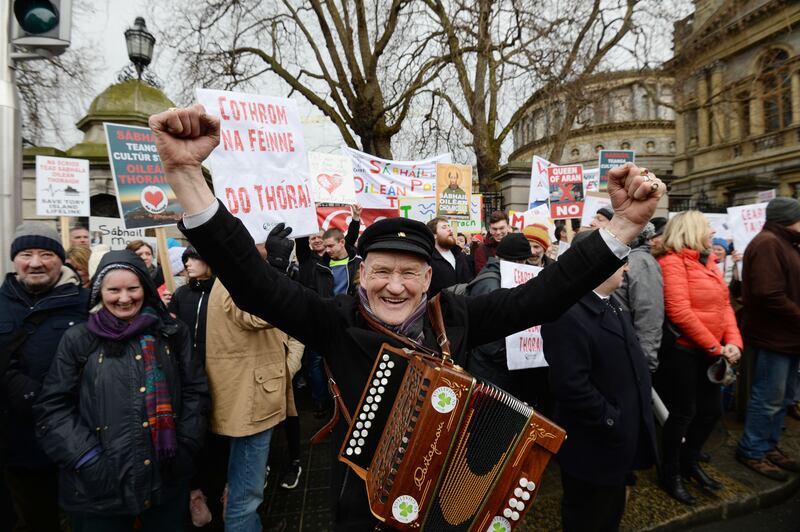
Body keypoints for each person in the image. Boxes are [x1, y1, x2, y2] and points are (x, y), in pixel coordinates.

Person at [148, 104, 664, 530]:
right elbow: (252, 281)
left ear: (428, 278)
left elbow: (547, 294)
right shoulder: (331, 319)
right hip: (363, 513)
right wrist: (186, 174)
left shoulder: (456, 315)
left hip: (449, 507)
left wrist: (622, 224)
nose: (394, 285)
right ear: (361, 270)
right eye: (381, 271)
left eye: (409, 273)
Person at [33, 250, 209, 531]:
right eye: (113, 289)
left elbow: (195, 391)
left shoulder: (172, 332)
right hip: (99, 491)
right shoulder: (78, 339)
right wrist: (87, 460)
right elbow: (53, 407)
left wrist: (185, 444)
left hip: (165, 480)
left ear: (146, 288)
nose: (124, 298)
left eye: (133, 288)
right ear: (99, 292)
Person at [542, 229, 657, 532]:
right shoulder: (567, 313)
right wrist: (611, 420)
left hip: (614, 445)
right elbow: (570, 385)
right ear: (598, 265)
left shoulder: (611, 301)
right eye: (622, 261)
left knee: (608, 514)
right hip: (594, 446)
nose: (627, 267)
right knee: (590, 518)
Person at [0, 222, 89, 532]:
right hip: (16, 448)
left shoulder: (86, 303)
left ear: (60, 259)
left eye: (45, 254)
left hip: (74, 444)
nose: (35, 263)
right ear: (15, 259)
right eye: (26, 253)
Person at [653, 211, 742, 505]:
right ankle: (670, 473)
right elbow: (679, 311)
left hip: (711, 351)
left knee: (711, 412)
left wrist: (734, 342)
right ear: (691, 231)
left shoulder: (709, 262)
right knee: (682, 415)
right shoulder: (672, 262)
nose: (712, 231)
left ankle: (689, 464)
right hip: (683, 354)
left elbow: (724, 306)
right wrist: (717, 349)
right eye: (707, 227)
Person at [203, 274, 299, 531]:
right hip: (249, 401)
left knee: (245, 490)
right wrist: (276, 269)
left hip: (251, 394)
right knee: (245, 495)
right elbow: (258, 314)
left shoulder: (233, 272)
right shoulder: (233, 276)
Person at [736, 197, 800, 480]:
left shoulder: (784, 243)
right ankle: (752, 450)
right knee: (768, 398)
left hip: (787, 337)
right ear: (789, 218)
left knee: (783, 397)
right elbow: (768, 294)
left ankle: (768, 446)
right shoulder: (768, 243)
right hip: (773, 337)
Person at [166, 246, 218, 526]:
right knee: (193, 436)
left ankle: (221, 491)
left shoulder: (223, 294)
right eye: (185, 258)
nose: (187, 262)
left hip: (220, 374)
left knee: (218, 437)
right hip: (187, 375)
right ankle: (196, 496)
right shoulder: (181, 294)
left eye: (193, 256)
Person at [615, 222, 663, 373]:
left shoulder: (641, 261)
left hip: (633, 357)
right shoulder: (626, 256)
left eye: (601, 219)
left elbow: (649, 315)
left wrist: (645, 363)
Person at [426, 217, 473, 296]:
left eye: (449, 226)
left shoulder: (459, 255)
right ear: (434, 235)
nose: (450, 229)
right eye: (444, 227)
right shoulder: (429, 259)